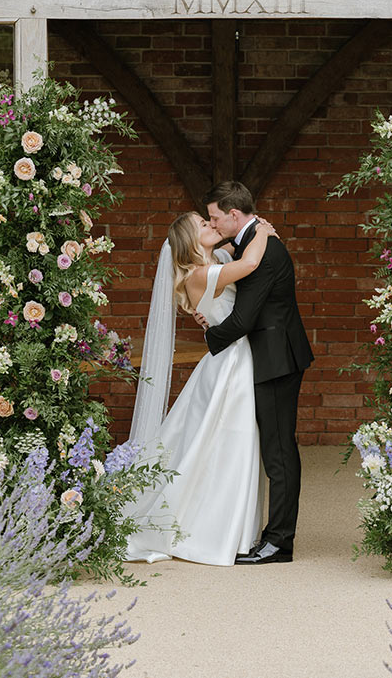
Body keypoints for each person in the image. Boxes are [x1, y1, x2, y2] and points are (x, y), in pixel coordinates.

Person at [123, 211, 278, 566]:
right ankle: (212, 531)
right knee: (229, 442)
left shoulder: (218, 260)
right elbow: (252, 262)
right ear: (191, 243)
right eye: (203, 225)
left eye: (208, 221)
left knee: (224, 444)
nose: (211, 226)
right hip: (229, 362)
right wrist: (262, 230)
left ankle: (229, 526)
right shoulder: (199, 274)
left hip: (233, 357)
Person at [202, 181, 313, 566]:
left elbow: (244, 319)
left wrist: (210, 334)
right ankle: (275, 535)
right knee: (274, 450)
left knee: (279, 452)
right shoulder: (252, 240)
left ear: (235, 215)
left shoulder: (263, 251)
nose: (213, 225)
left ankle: (280, 542)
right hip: (269, 357)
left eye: (216, 218)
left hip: (276, 360)